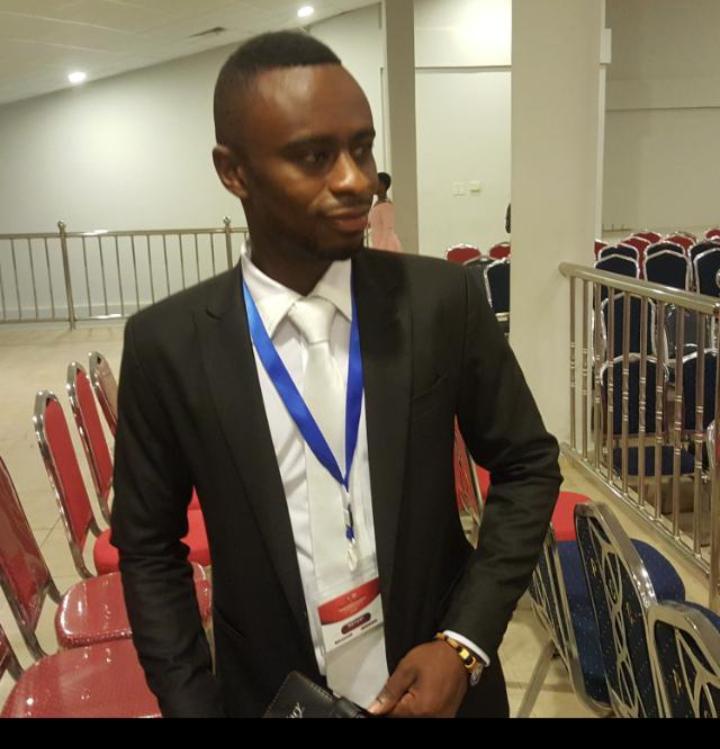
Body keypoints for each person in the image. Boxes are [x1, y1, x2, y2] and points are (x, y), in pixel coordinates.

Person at [111, 30, 561, 719]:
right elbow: (148, 548)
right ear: (234, 172)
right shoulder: (167, 346)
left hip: (441, 693)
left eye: (363, 148)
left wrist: (464, 643)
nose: (357, 180)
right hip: (271, 693)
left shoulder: (440, 301)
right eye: (314, 156)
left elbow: (527, 465)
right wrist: (192, 704)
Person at [368, 172, 402, 252]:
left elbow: (388, 229)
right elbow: (371, 223)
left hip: (388, 247)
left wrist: (381, 249)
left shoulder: (386, 205)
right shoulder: (377, 204)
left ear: (383, 185)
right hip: (379, 245)